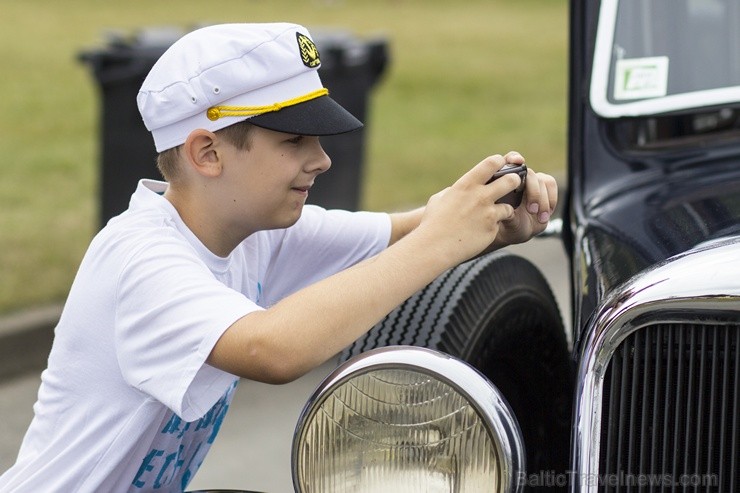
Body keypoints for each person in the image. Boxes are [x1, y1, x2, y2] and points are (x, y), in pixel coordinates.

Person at [0, 22, 557, 492]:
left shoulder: (253, 231)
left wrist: (491, 215)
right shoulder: (141, 262)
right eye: (294, 141)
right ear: (208, 152)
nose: (322, 160)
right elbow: (274, 348)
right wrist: (441, 240)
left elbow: (412, 232)